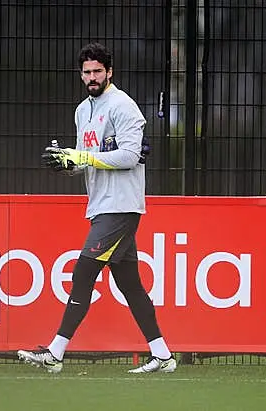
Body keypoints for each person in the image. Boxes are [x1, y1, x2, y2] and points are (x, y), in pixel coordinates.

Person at [17, 42, 176, 374]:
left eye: (97, 71)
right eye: (87, 72)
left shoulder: (124, 106)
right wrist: (67, 163)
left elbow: (131, 156)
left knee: (83, 271)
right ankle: (163, 355)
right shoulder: (82, 111)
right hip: (100, 204)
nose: (92, 77)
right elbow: (85, 161)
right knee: (130, 284)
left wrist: (84, 157)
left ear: (109, 72)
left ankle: (55, 353)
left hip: (122, 207)